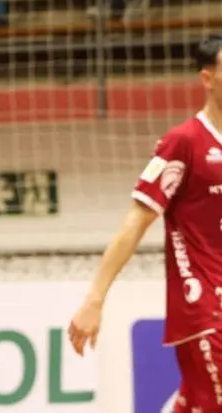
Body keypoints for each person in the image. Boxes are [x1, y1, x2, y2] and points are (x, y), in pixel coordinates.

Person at [68, 36, 222, 412]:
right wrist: (95, 299)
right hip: (205, 305)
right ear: (207, 78)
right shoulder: (182, 143)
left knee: (198, 402)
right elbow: (136, 222)